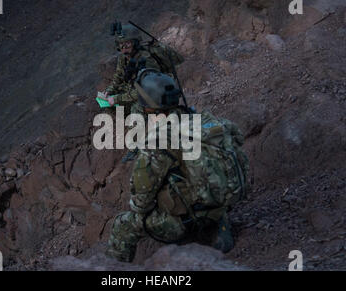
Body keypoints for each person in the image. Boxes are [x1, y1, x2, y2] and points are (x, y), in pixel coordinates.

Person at [105, 69, 249, 262]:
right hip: (220, 207)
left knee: (123, 224)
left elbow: (140, 203)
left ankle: (114, 272)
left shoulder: (156, 142)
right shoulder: (208, 121)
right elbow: (237, 136)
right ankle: (216, 229)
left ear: (147, 108)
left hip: (185, 221)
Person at [101, 23, 184, 162]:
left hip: (157, 90)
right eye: (121, 45)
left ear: (135, 42)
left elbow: (143, 91)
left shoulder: (146, 60)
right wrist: (109, 91)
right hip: (140, 86)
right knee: (109, 106)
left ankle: (135, 148)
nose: (124, 48)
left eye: (127, 44)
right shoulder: (124, 57)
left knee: (136, 110)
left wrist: (118, 99)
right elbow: (119, 77)